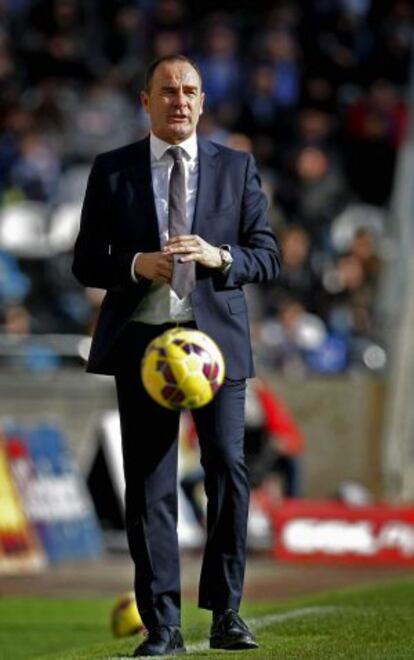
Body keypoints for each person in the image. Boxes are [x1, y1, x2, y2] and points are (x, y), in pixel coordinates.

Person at [72, 54, 280, 657]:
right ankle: (163, 626)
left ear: (203, 102)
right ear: (146, 101)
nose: (180, 100)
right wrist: (138, 264)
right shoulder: (112, 170)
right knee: (150, 488)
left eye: (190, 91)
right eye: (168, 91)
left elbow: (267, 254)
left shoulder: (236, 167)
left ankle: (226, 614)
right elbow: (86, 259)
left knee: (228, 473)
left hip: (216, 349)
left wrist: (221, 258)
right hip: (144, 347)